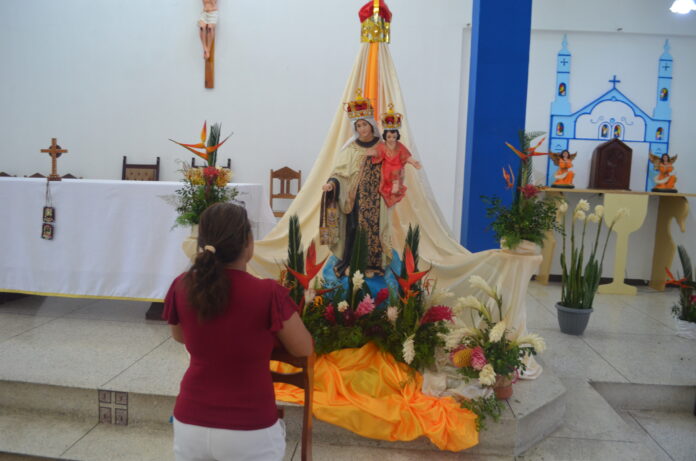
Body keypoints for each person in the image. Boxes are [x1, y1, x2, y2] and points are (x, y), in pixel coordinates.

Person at [163, 202, 313, 461]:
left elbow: (180, 337)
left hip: (190, 423)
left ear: (203, 243)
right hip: (250, 428)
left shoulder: (181, 286)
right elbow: (304, 348)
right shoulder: (268, 293)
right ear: (248, 242)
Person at [321, 113, 391, 278]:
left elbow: (393, 168)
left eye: (364, 125)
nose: (362, 129)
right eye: (358, 126)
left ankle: (372, 265)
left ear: (372, 125)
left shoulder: (382, 146)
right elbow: (340, 173)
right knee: (353, 228)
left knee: (374, 230)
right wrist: (332, 184)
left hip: (376, 198)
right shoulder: (352, 149)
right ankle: (351, 262)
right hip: (355, 197)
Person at [368, 129, 421, 207]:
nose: (391, 139)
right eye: (389, 137)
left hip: (397, 166)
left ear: (397, 137)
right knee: (389, 172)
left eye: (394, 137)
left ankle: (395, 183)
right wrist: (374, 153)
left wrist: (413, 162)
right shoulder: (383, 145)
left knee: (397, 170)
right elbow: (378, 152)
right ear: (385, 137)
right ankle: (392, 185)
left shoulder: (399, 146)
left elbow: (406, 156)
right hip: (387, 167)